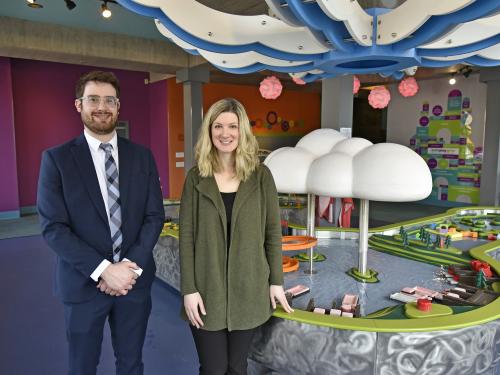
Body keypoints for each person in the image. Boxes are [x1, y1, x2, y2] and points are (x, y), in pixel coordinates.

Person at [37, 71, 165, 375]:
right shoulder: (57, 160)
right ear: (78, 105)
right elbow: (53, 227)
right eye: (93, 99)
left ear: (118, 107)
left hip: (133, 285)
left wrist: (128, 268)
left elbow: (154, 216)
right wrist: (105, 270)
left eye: (109, 100)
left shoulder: (142, 157)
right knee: (82, 366)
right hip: (83, 284)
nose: (102, 107)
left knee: (132, 363)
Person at [179, 98, 293, 375]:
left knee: (237, 366)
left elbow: (272, 233)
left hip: (249, 289)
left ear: (242, 131)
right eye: (218, 126)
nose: (225, 133)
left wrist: (276, 281)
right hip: (206, 291)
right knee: (214, 368)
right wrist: (189, 289)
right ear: (209, 131)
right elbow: (187, 237)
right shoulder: (196, 178)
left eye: (232, 126)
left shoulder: (261, 177)